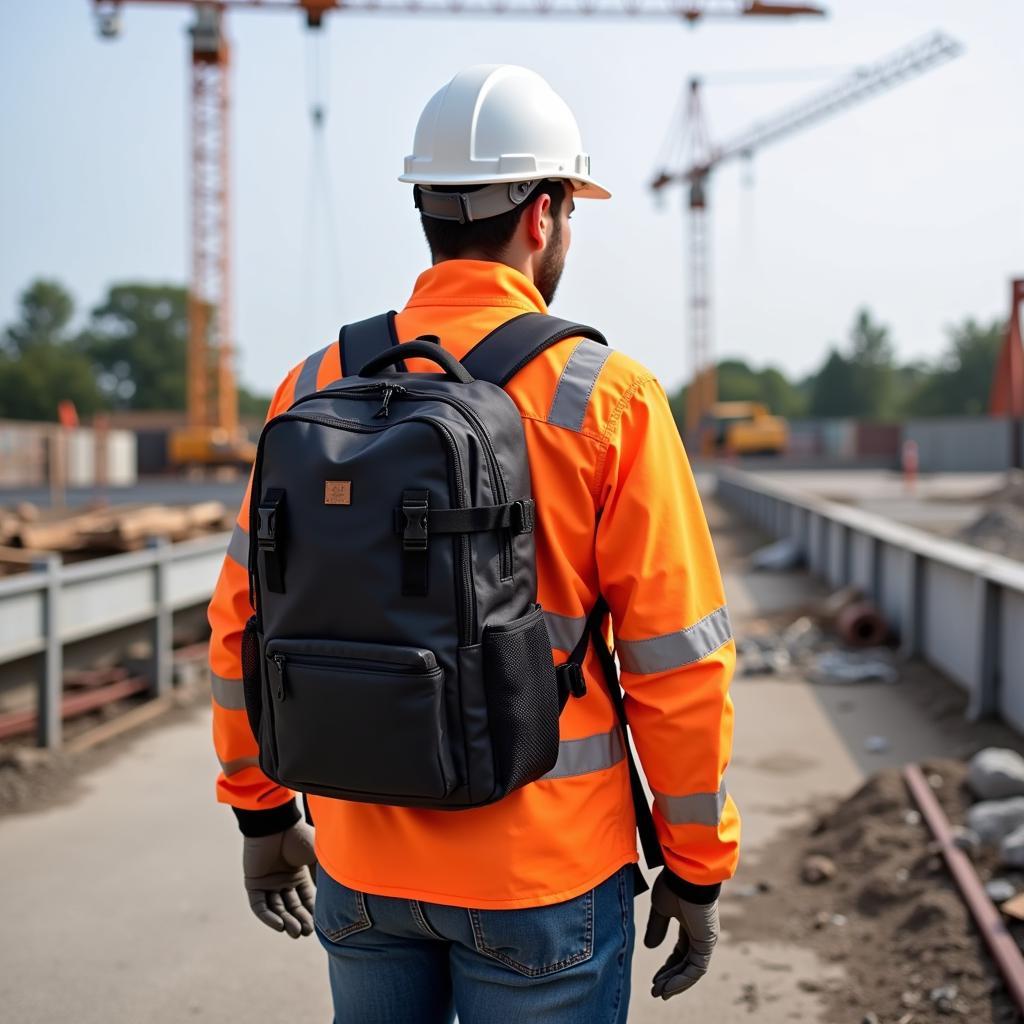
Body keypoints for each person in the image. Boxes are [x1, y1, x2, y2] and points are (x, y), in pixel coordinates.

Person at [208, 63, 739, 1023]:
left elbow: (239, 623)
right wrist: (697, 869)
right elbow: (680, 662)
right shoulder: (606, 397)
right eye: (571, 207)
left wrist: (259, 811)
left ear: (427, 207)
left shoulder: (313, 384)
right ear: (543, 215)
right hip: (544, 872)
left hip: (359, 861)